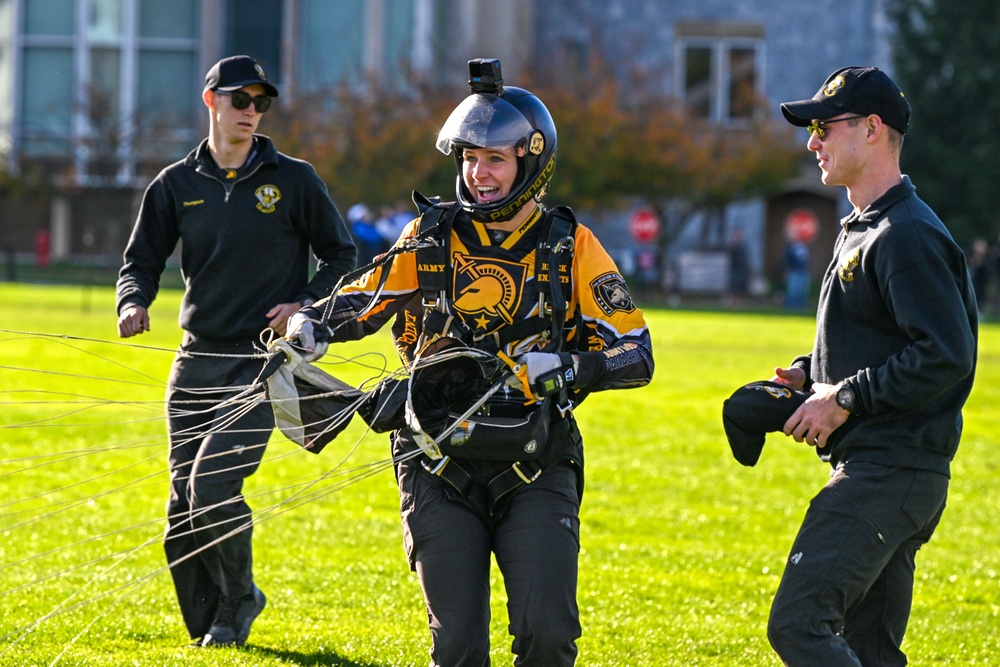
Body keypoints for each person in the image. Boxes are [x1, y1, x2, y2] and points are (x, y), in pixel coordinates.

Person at [286, 58, 653, 666]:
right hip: (436, 462)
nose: (477, 175)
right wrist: (314, 322)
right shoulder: (429, 237)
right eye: (468, 159)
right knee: (456, 646)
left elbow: (636, 353)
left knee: (547, 636)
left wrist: (570, 366)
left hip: (537, 463)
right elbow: (365, 297)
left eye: (494, 160)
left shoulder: (571, 247)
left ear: (530, 163)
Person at [115, 55, 356, 647]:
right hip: (195, 360)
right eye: (239, 99)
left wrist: (303, 304)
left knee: (213, 487)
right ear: (211, 102)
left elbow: (342, 256)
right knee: (181, 503)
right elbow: (140, 261)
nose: (251, 111)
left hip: (262, 364)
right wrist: (132, 302)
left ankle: (239, 600)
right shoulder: (174, 184)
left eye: (260, 102)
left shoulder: (294, 179)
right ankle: (212, 622)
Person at [767, 66, 978, 666]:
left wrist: (844, 398)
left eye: (823, 127)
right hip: (887, 469)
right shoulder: (865, 226)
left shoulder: (904, 234)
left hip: (891, 471)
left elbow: (945, 352)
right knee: (869, 650)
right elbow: (885, 339)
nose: (812, 142)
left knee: (800, 626)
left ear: (870, 129)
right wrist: (811, 376)